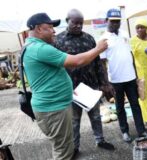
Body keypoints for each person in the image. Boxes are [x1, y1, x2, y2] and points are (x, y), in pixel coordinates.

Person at [24, 13, 108, 159]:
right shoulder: (40, 49)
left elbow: (50, 75)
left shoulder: (32, 46)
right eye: (49, 28)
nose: (53, 31)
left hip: (60, 102)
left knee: (62, 147)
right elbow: (76, 61)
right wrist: (98, 49)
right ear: (38, 29)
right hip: (54, 109)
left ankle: (97, 140)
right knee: (63, 151)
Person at [54, 9, 115, 155]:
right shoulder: (58, 41)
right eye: (75, 22)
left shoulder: (89, 39)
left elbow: (97, 62)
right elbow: (56, 67)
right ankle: (75, 147)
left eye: (81, 23)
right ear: (67, 20)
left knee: (95, 116)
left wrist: (104, 82)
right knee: (74, 121)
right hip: (71, 89)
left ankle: (100, 140)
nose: (78, 26)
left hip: (90, 87)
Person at [99, 8, 147, 142]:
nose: (115, 24)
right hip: (115, 80)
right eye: (113, 21)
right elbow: (102, 63)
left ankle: (141, 131)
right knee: (120, 107)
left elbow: (130, 55)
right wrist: (106, 83)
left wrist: (136, 75)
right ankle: (125, 131)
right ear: (106, 21)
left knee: (135, 105)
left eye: (118, 21)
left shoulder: (125, 34)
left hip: (131, 78)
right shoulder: (103, 39)